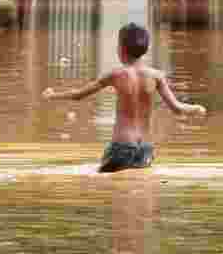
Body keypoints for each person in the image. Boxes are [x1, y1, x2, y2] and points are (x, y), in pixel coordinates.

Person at [42, 23, 206, 173]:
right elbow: (177, 108)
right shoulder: (156, 76)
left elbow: (79, 95)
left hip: (121, 147)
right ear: (146, 49)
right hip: (145, 149)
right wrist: (196, 108)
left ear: (121, 49)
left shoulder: (116, 75)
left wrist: (53, 95)